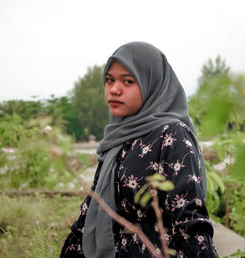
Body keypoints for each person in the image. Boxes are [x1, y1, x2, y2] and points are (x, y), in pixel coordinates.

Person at [60, 42, 218, 258]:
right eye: (110, 80)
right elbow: (90, 212)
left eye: (128, 81)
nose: (114, 89)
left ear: (151, 84)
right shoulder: (117, 139)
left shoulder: (171, 135)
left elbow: (190, 222)